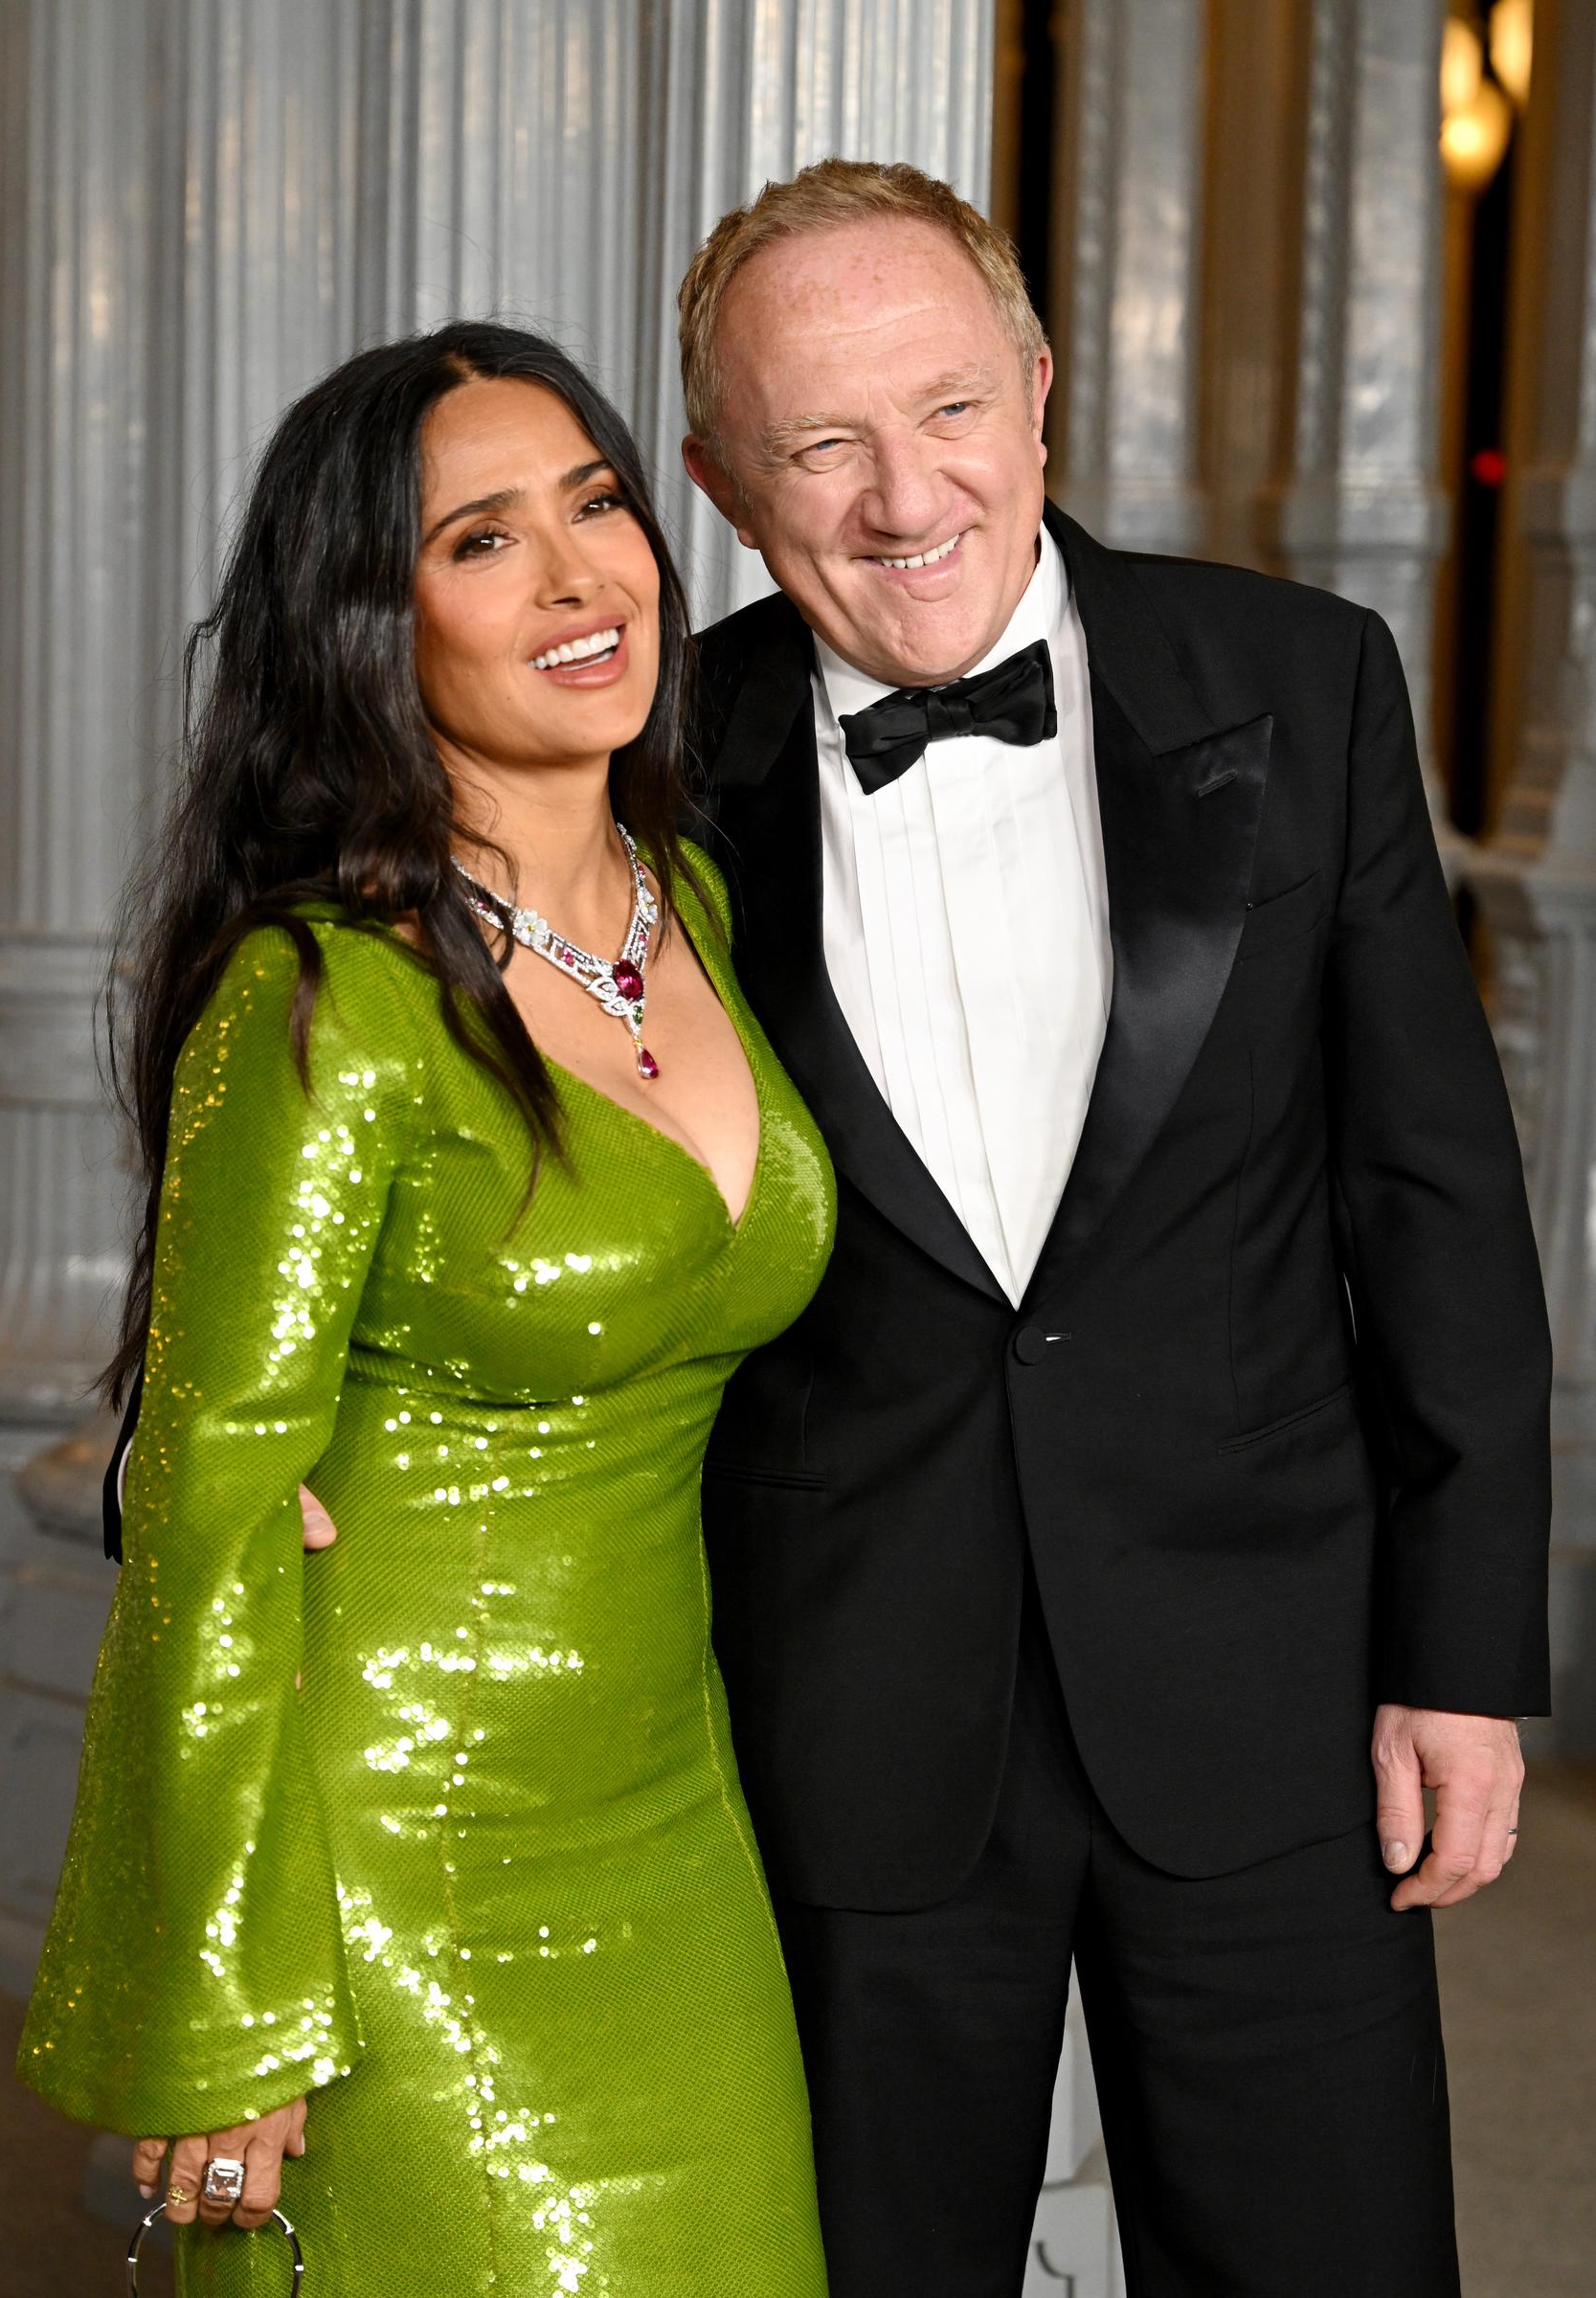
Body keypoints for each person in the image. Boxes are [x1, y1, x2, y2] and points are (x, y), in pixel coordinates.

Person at [671, 162, 1550, 2295]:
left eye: (948, 410)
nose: (904, 499)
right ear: (715, 479)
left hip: (1268, 1687)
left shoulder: (1298, 674)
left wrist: (1458, 1656)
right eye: (820, 443)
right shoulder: (648, 758)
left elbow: (1426, 1192)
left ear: (1039, 396)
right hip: (836, 1703)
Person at [19, 322, 833, 2298]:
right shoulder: (321, 1001)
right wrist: (223, 1997)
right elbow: (210, 1504)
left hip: (673, 1827)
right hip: (390, 1855)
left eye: (598, 503)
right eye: (478, 542)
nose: (578, 578)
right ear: (366, 631)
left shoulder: (692, 908)